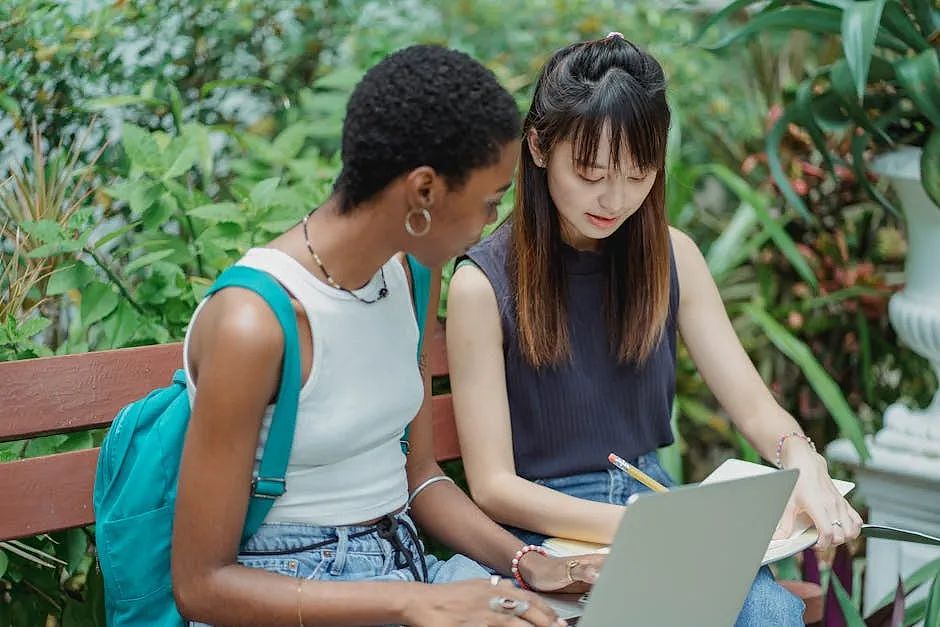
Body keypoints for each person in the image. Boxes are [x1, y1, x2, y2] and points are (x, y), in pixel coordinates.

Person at [171, 44, 602, 627]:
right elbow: (202, 586)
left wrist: (528, 560)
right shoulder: (256, 323)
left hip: (404, 568)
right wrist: (416, 602)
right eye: (488, 204)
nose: (487, 229)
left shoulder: (409, 274)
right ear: (423, 192)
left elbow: (419, 476)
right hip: (291, 593)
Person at [445, 33, 863, 627]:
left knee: (766, 610)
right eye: (591, 173)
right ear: (538, 146)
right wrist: (646, 530)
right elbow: (493, 487)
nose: (614, 199)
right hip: (542, 529)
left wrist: (805, 462)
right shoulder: (482, 285)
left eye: (639, 174)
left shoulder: (673, 256)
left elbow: (752, 406)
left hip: (653, 503)